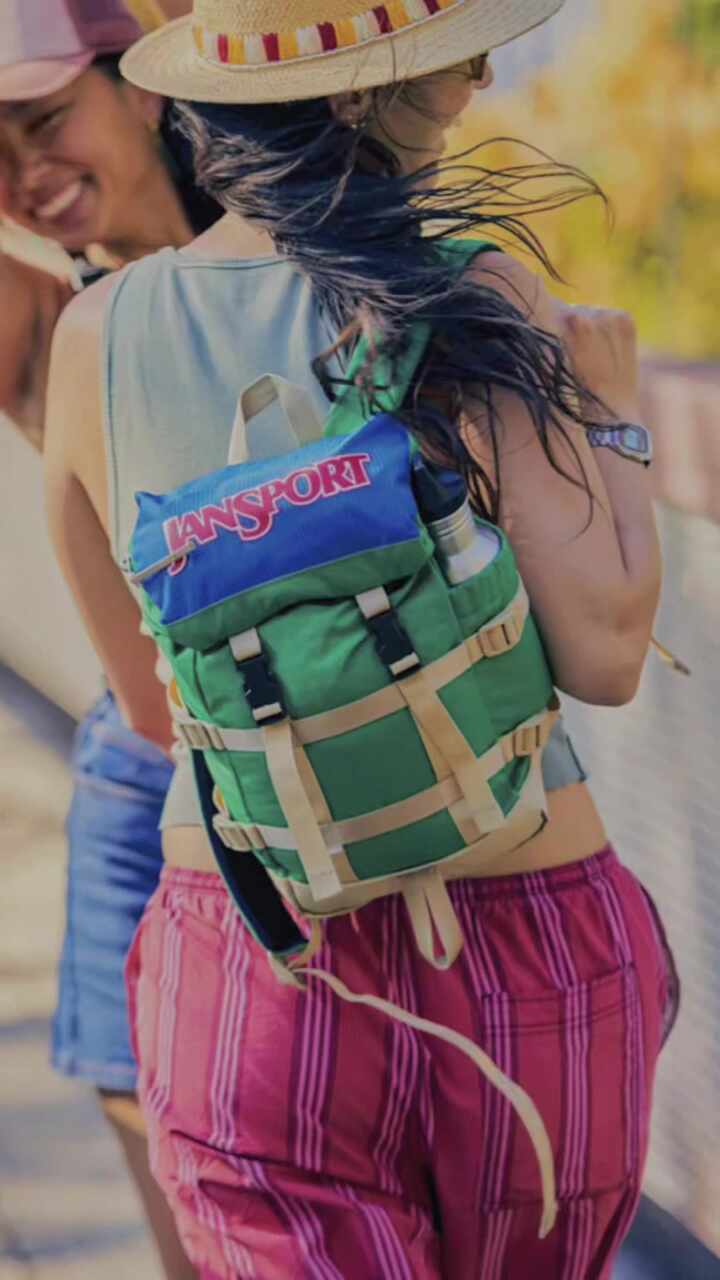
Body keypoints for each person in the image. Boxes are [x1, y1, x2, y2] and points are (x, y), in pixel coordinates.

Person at [44, 0, 679, 1274]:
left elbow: (158, 711)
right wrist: (611, 414)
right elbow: (607, 653)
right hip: (520, 944)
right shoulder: (472, 293)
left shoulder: (98, 335)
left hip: (262, 952)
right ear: (351, 91)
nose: (481, 74)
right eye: (446, 58)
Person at [0, 2, 221, 1275]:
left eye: (45, 120)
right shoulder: (45, 322)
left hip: (321, 782)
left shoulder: (297, 261)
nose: (26, 171)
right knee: (186, 1231)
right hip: (144, 784)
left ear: (142, 86)